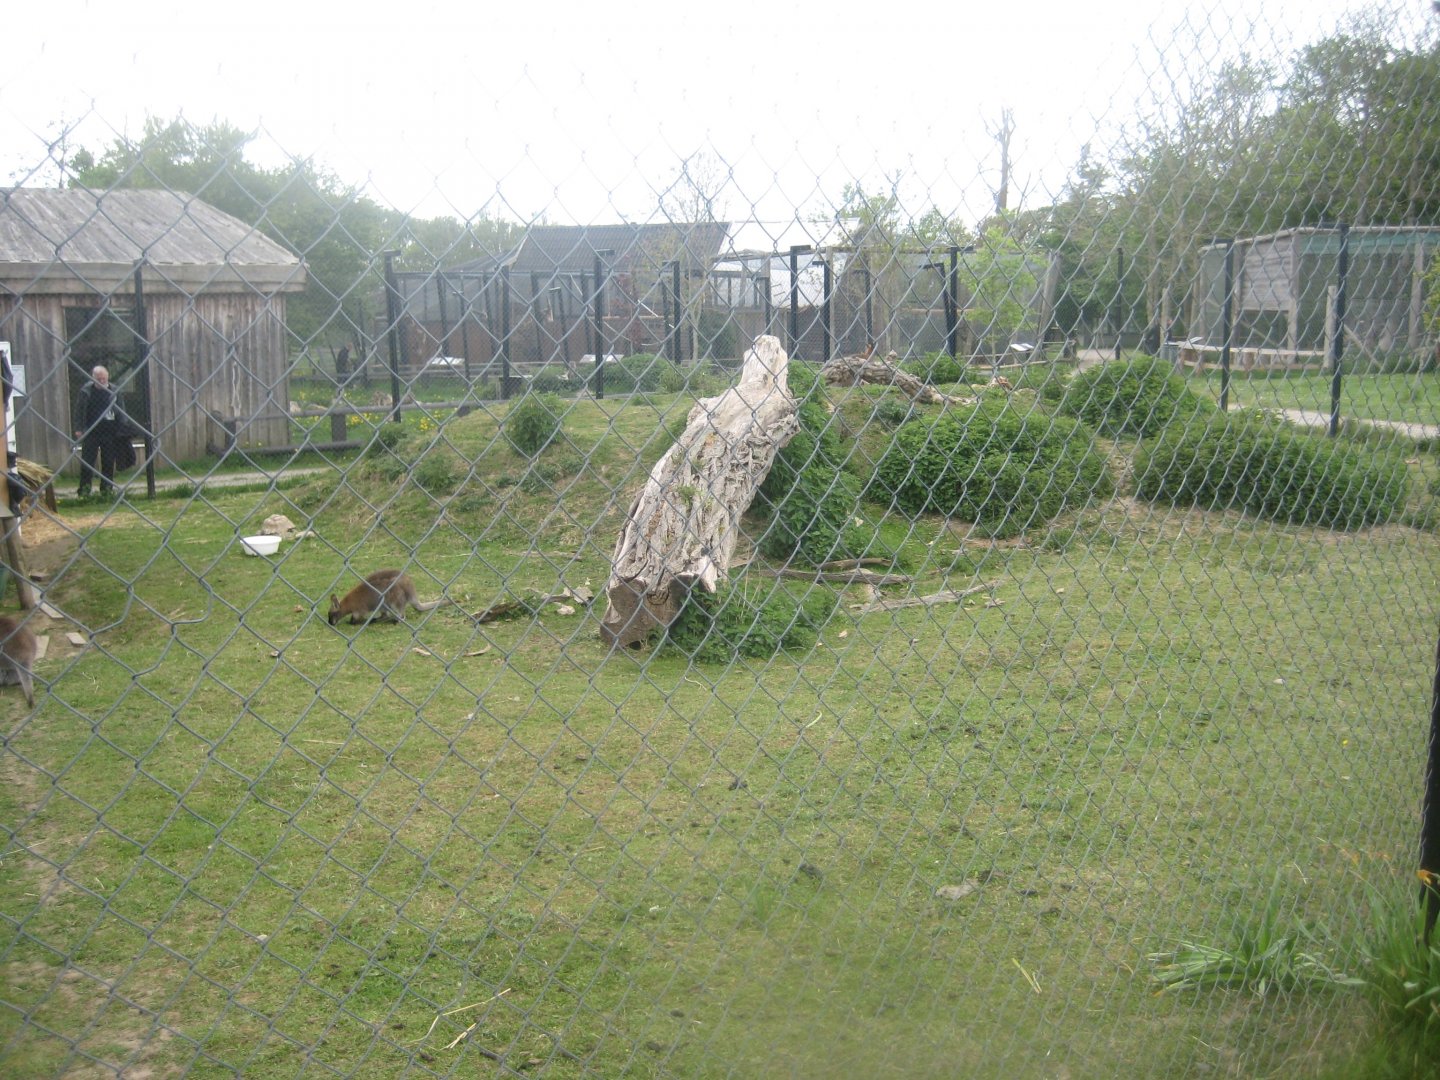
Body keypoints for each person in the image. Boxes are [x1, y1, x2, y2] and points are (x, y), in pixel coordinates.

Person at [73, 365, 123, 498]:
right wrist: (78, 428)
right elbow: (79, 410)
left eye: (104, 378)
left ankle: (106, 490)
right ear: (93, 379)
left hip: (109, 432)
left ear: (108, 377)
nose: (102, 381)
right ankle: (84, 490)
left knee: (108, 462)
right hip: (91, 432)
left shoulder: (114, 391)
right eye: (99, 379)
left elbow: (122, 411)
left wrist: (122, 428)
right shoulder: (86, 391)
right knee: (87, 462)